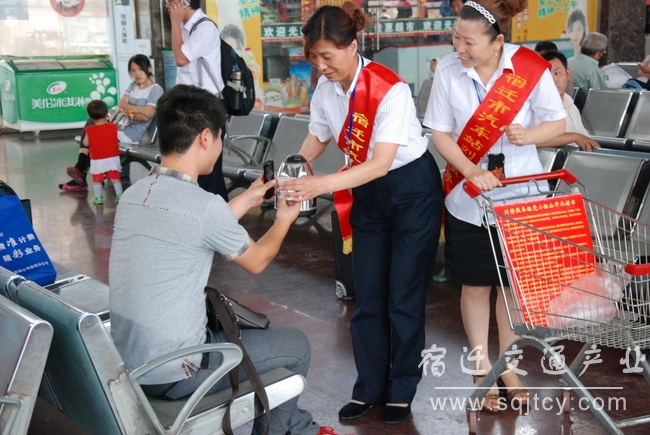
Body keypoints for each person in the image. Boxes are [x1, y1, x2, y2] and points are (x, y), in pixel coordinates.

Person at [109, 84, 344, 435]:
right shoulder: (204, 207)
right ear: (206, 137)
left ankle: (296, 426)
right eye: (221, 136)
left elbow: (195, 225)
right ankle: (290, 431)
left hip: (133, 362)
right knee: (295, 345)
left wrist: (248, 199)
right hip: (179, 371)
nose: (220, 145)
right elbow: (258, 260)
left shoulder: (135, 194)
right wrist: (283, 220)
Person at [282, 2, 443, 425]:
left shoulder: (390, 88)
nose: (321, 66)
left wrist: (318, 185)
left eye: (327, 56)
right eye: (313, 57)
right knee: (367, 296)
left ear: (353, 46)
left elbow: (381, 162)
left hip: (410, 189)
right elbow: (318, 136)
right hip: (367, 193)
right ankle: (369, 387)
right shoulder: (324, 89)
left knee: (403, 298)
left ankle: (402, 388)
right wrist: (296, 162)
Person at [423, 0, 565, 412]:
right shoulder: (449, 70)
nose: (458, 48)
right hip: (469, 199)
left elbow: (556, 121)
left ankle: (508, 366)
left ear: (497, 41)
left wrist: (529, 134)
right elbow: (439, 131)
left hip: (521, 196)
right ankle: (482, 366)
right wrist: (469, 170)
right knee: (476, 283)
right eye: (454, 38)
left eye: (467, 41)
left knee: (509, 288)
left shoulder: (529, 68)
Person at [59, 54, 163, 192]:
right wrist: (140, 109)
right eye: (133, 70)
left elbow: (145, 118)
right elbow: (121, 105)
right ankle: (81, 170)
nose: (137, 74)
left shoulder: (156, 90)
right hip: (119, 126)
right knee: (92, 122)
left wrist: (128, 110)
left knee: (96, 134)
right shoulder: (133, 86)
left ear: (148, 68)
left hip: (132, 134)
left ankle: (81, 171)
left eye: (140, 69)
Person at [167, 0, 229, 202]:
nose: (167, 5)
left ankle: (216, 219)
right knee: (197, 169)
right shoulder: (186, 28)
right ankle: (220, 217)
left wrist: (175, 23)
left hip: (206, 107)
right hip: (191, 104)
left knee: (208, 172)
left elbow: (180, 58)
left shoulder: (204, 27)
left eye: (171, 1)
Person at [536, 50, 599, 152]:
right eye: (546, 76)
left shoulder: (569, 103)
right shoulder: (537, 107)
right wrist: (575, 137)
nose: (553, 81)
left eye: (557, 73)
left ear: (568, 73)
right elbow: (534, 140)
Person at [83, 100, 124, 205]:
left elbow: (86, 143)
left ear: (90, 116)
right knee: (114, 177)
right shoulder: (113, 127)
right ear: (107, 113)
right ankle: (120, 195)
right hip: (112, 157)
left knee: (97, 178)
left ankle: (98, 197)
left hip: (97, 158)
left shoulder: (89, 129)